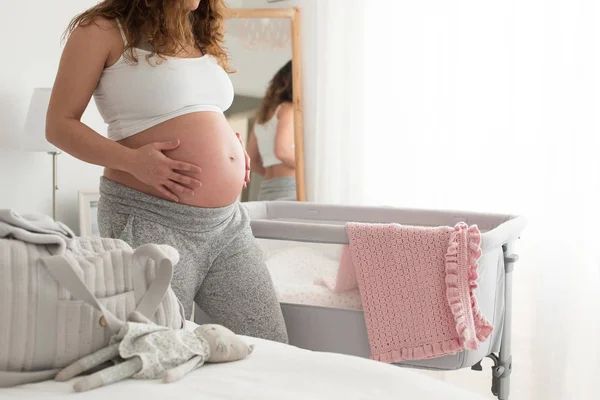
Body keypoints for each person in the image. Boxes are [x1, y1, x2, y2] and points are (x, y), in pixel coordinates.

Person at [45, 0, 288, 343]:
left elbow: (195, 106)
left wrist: (227, 144)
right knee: (154, 347)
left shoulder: (195, 29)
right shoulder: (102, 30)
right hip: (152, 217)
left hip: (227, 225)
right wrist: (132, 161)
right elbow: (58, 125)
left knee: (268, 344)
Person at [246, 61, 297, 201]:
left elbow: (251, 159)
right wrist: (311, 172)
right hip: (290, 187)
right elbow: (283, 151)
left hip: (267, 186)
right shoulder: (288, 109)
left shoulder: (264, 114)